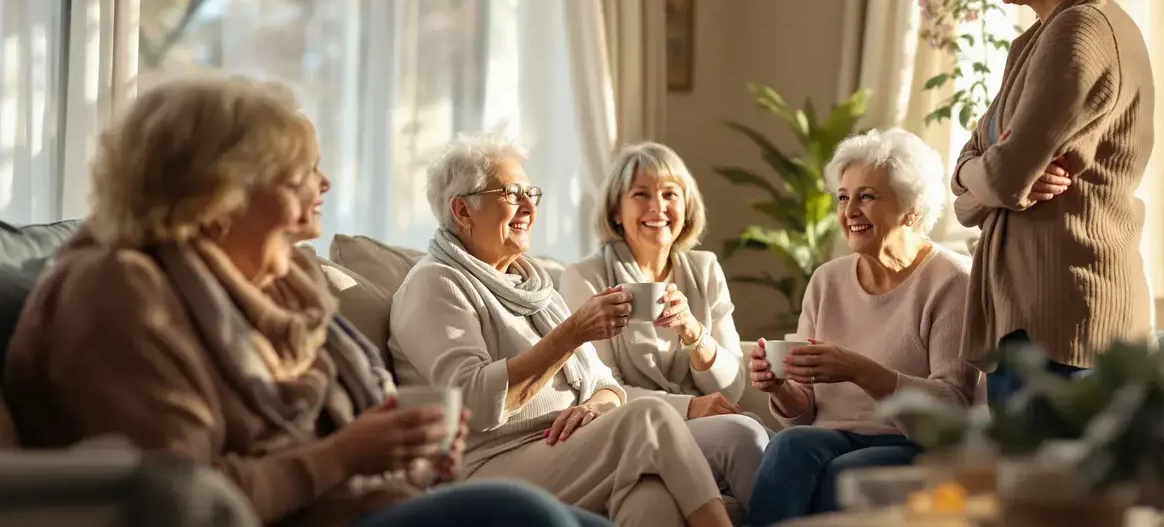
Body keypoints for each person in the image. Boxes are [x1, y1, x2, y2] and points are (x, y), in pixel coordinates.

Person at [2, 77, 612, 527]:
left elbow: (346, 442)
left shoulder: (281, 287)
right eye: (298, 173)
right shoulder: (119, 292)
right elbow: (180, 497)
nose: (322, 187)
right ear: (221, 191)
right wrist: (346, 453)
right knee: (524, 516)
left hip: (359, 504)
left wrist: (412, 455)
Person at [388, 134, 733, 527]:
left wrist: (596, 406)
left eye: (530, 192)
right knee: (649, 418)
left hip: (559, 449)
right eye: (511, 193)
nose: (529, 205)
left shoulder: (533, 286)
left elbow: (605, 382)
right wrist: (572, 333)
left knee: (650, 496)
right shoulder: (436, 283)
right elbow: (474, 402)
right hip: (486, 464)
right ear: (462, 210)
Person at [951, 0, 1154, 406]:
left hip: (1062, 324)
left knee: (1042, 489)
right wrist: (980, 182)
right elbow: (976, 169)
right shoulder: (1042, 36)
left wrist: (984, 179)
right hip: (1043, 321)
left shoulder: (1081, 30)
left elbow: (999, 173)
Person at [746, 128, 980, 525]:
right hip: (830, 436)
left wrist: (858, 369)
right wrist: (780, 386)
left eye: (866, 196)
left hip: (911, 443)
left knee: (847, 474)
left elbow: (952, 411)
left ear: (912, 209)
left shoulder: (951, 281)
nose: (849, 210)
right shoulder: (827, 280)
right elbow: (801, 415)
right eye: (843, 197)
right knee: (788, 444)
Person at [560, 141, 769, 508]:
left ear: (686, 207)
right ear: (616, 211)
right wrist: (690, 406)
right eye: (641, 194)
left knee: (780, 443)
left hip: (700, 424)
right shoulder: (586, 278)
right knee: (744, 434)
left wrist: (693, 332)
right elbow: (600, 387)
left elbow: (732, 388)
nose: (658, 207)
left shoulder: (704, 270)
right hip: (632, 428)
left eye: (670, 194)